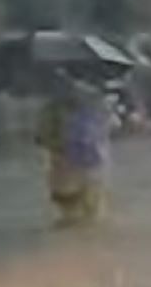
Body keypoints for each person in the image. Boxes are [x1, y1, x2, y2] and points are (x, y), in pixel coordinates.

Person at [35, 70, 114, 227]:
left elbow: (44, 132)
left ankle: (76, 216)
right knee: (85, 185)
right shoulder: (93, 98)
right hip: (82, 152)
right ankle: (84, 217)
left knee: (72, 187)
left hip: (69, 152)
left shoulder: (53, 106)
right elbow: (106, 123)